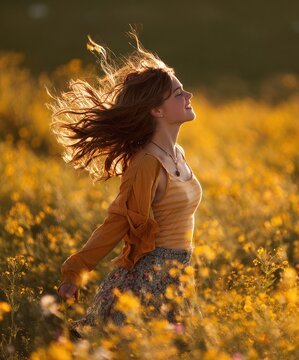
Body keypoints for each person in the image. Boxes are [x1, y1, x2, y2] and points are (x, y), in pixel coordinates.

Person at [47, 27, 203, 337]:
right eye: (178, 94)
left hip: (179, 274)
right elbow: (117, 221)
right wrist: (75, 270)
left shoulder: (178, 153)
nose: (189, 96)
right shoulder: (146, 163)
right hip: (151, 281)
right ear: (156, 110)